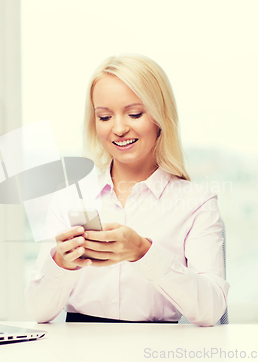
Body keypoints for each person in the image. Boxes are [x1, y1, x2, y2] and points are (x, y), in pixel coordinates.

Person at [25, 54, 229, 326]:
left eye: (134, 114)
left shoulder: (197, 203)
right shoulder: (69, 198)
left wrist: (143, 252)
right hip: (79, 350)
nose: (119, 128)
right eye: (105, 116)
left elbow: (210, 312)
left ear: (160, 117)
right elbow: (39, 312)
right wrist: (62, 263)